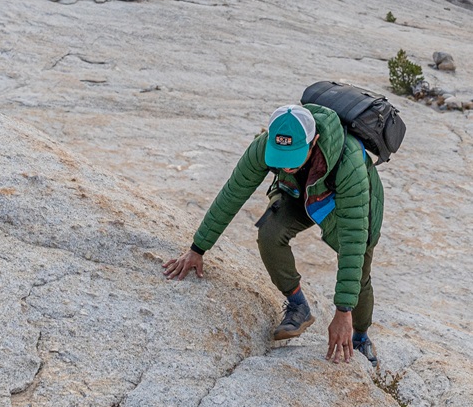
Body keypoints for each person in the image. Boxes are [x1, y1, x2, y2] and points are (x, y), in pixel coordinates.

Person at [163, 103, 384, 365]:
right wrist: (197, 249)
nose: (286, 167)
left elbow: (353, 241)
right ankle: (298, 306)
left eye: (292, 158)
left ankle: (359, 337)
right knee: (269, 233)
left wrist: (343, 311)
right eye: (280, 158)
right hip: (297, 193)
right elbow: (233, 192)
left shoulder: (350, 164)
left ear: (314, 141)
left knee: (359, 275)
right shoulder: (264, 147)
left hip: (353, 203)